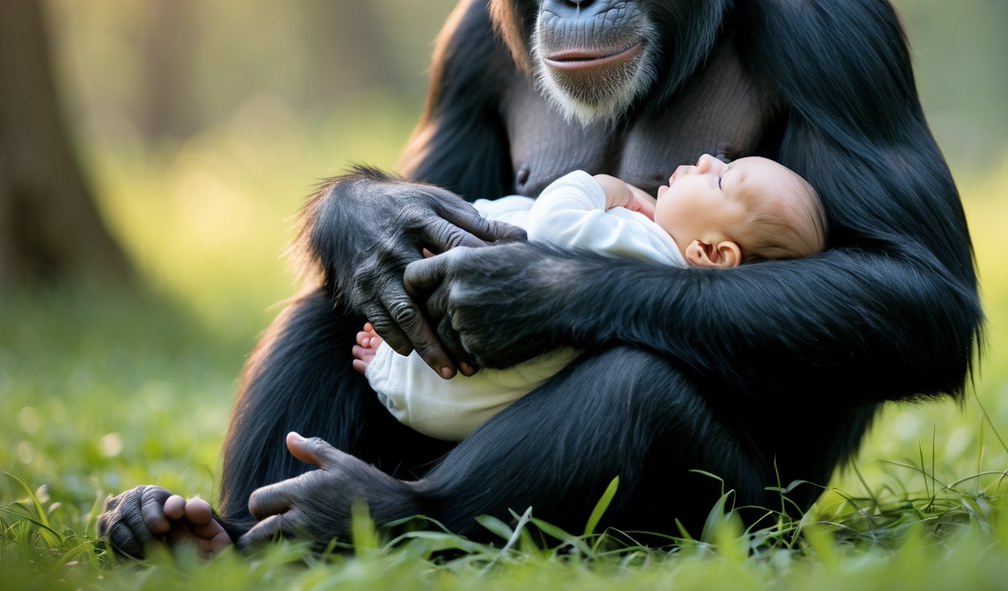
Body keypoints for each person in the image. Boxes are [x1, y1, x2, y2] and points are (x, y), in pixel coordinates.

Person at [353, 154, 827, 441]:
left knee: (633, 376)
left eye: (722, 178)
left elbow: (884, 293)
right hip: (478, 395)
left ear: (710, 253)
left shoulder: (648, 248)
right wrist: (351, 208)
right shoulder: (481, 45)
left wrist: (603, 189)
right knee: (360, 254)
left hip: (496, 405)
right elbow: (423, 205)